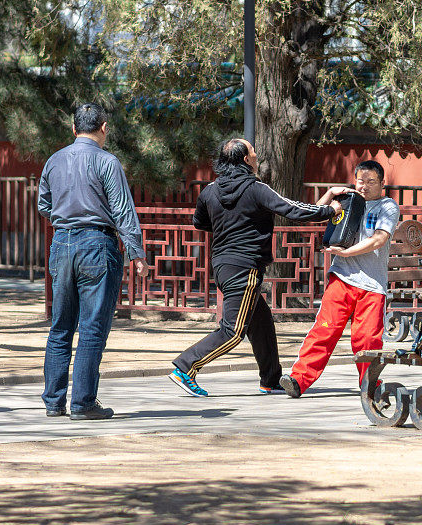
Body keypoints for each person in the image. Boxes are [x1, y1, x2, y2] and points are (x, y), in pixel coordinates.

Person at [168, 138, 345, 397]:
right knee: (233, 330)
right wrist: (330, 210)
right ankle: (186, 367)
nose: (256, 156)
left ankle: (271, 379)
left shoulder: (209, 191)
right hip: (245, 267)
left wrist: (229, 225)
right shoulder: (255, 188)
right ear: (245, 160)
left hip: (222, 265)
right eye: (253, 152)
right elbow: (291, 209)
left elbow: (200, 222)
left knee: (261, 322)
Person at [38, 103, 150, 420]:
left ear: (74, 130)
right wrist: (136, 253)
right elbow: (122, 210)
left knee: (60, 326)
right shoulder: (107, 161)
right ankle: (83, 402)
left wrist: (66, 216)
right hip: (97, 244)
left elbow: (43, 204)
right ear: (104, 128)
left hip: (61, 243)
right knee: (91, 328)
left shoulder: (54, 161)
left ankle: (53, 401)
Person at [279, 160, 400, 398]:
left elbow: (379, 239)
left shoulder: (387, 206)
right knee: (324, 330)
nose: (364, 187)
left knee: (367, 339)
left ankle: (370, 386)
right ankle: (298, 379)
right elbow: (314, 213)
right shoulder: (347, 200)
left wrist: (346, 252)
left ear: (382, 183)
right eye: (360, 181)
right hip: (342, 278)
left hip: (372, 284)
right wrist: (330, 194)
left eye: (371, 182)